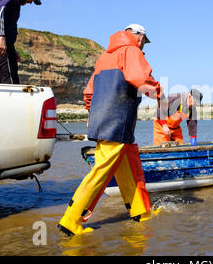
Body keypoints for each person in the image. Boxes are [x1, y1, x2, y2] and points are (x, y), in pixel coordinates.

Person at [58, 24, 165, 236]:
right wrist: (158, 92)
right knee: (102, 169)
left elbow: (89, 91)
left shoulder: (104, 57)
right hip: (118, 120)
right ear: (138, 36)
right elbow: (141, 79)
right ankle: (71, 219)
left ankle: (141, 212)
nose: (144, 44)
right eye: (144, 39)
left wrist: (93, 112)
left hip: (105, 119)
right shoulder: (131, 51)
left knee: (130, 166)